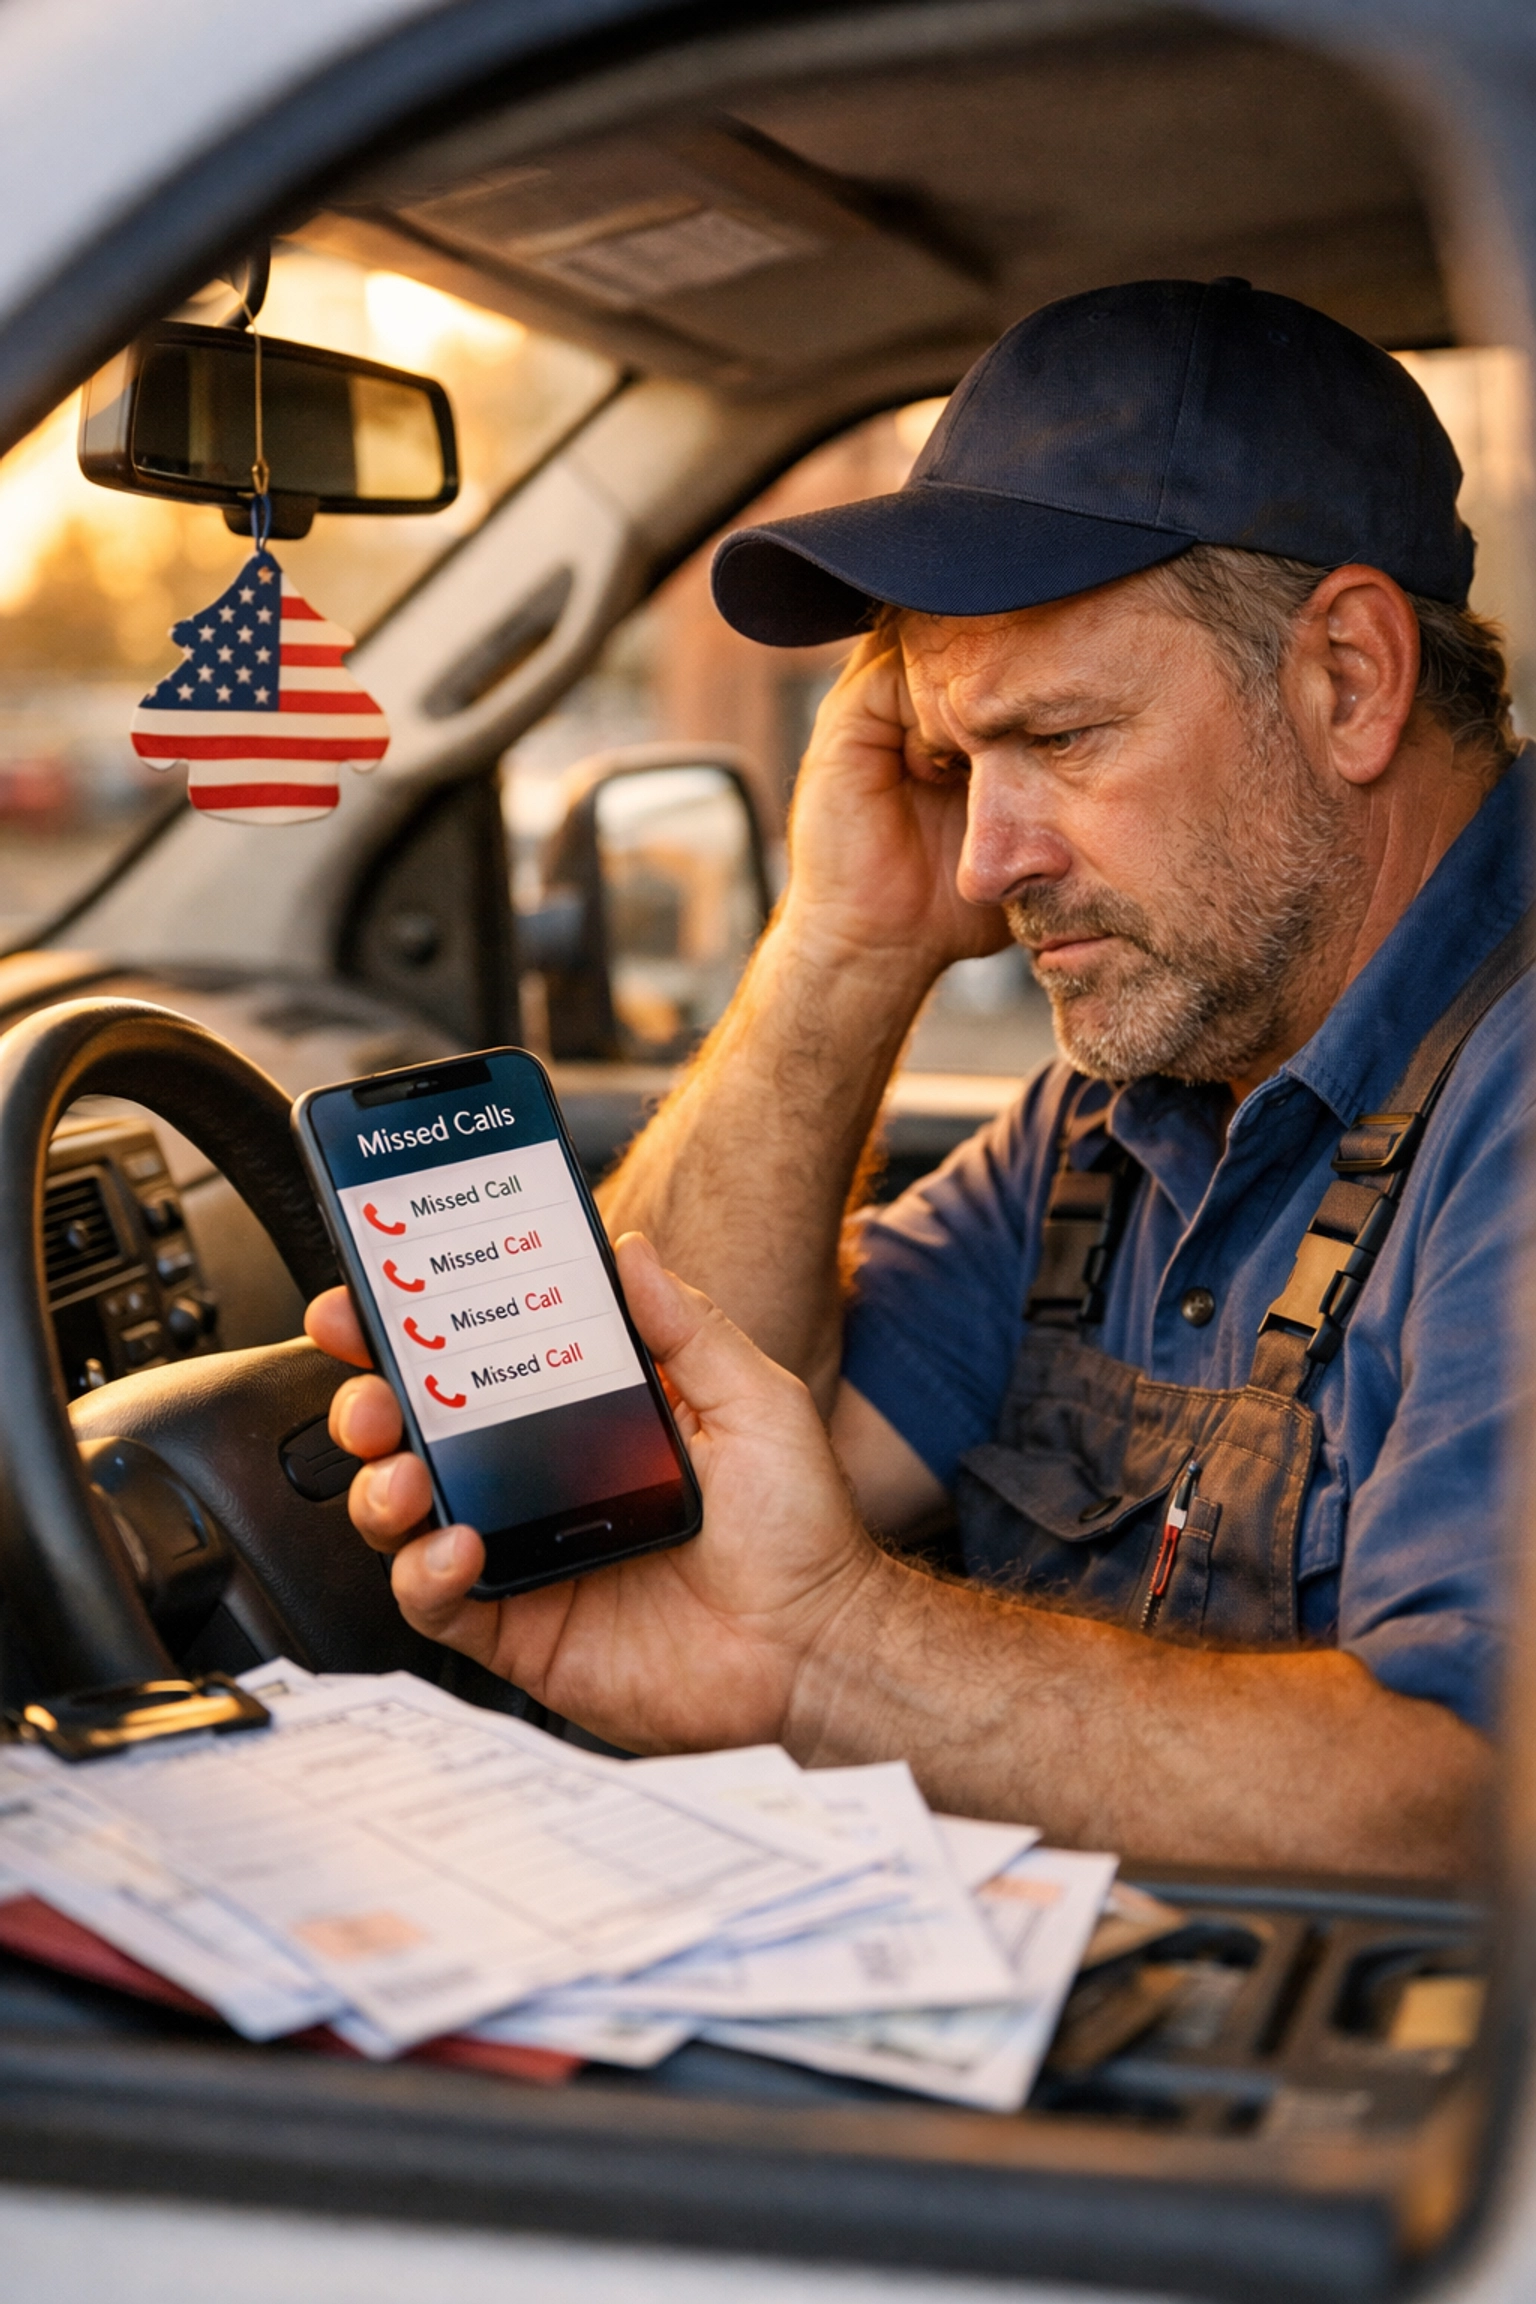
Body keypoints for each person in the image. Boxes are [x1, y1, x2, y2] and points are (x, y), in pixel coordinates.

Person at [308, 279, 1533, 1879]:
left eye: (1065, 737)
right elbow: (674, 1463)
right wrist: (842, 946)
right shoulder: (1122, 1114)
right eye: (954, 764)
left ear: (1353, 681)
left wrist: (823, 1654)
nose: (988, 856)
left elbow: (1468, 1799)